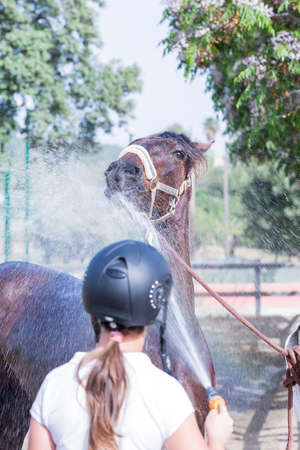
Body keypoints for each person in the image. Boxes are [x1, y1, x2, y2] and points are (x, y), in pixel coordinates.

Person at [28, 240, 233, 450]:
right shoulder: (167, 395)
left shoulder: (54, 385)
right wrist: (216, 440)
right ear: (155, 308)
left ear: (90, 303)